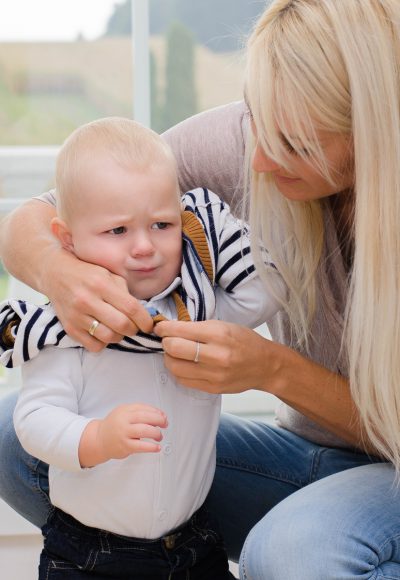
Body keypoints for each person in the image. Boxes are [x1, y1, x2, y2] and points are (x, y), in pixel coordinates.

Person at [1, 0, 400, 577]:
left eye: (293, 144)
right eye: (256, 119)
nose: (257, 159)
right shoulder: (247, 138)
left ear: (371, 129)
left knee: (293, 555)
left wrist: (273, 371)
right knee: (18, 438)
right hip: (311, 458)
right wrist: (61, 273)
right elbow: (34, 219)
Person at [0, 117, 282, 579]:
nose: (145, 247)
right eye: (118, 231)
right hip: (90, 553)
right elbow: (34, 422)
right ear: (68, 240)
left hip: (193, 542)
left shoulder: (195, 313)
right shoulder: (70, 327)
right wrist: (99, 438)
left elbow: (263, 292)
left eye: (162, 224)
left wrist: (212, 224)